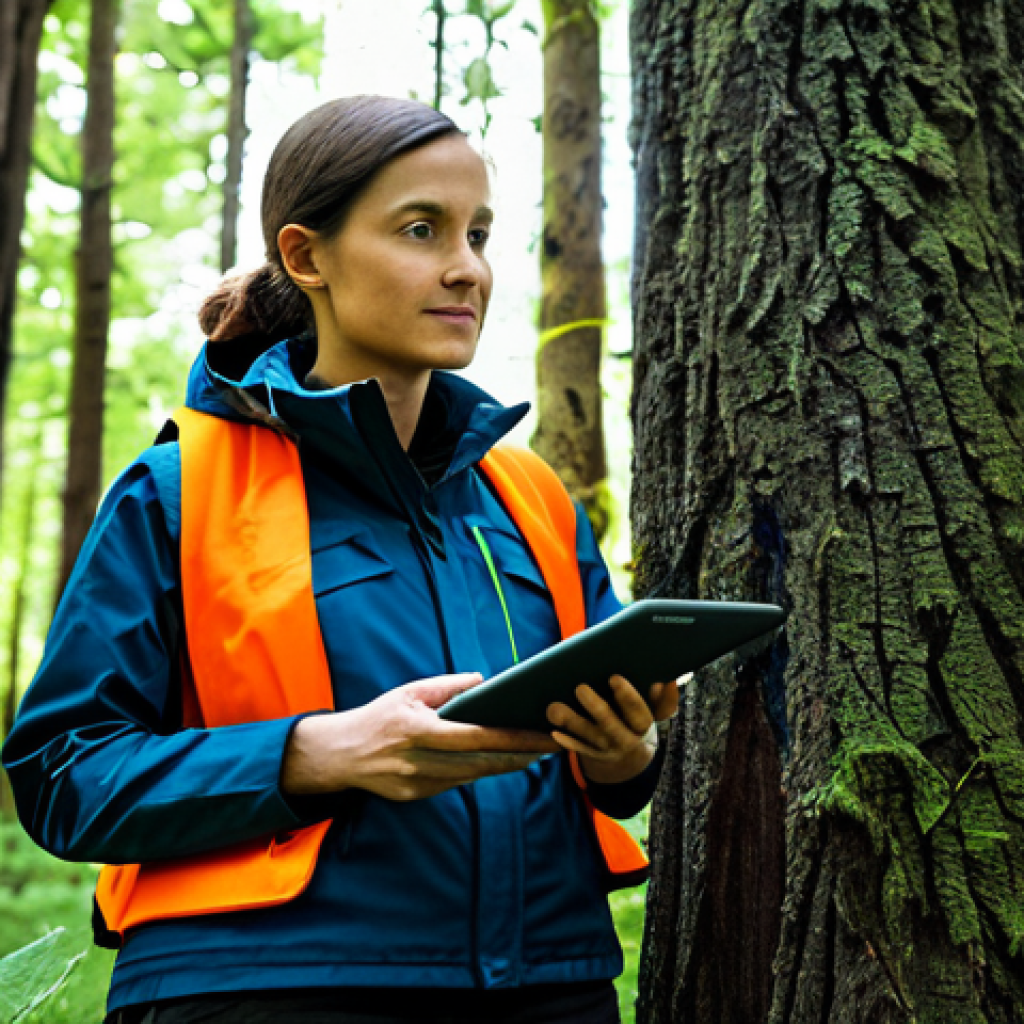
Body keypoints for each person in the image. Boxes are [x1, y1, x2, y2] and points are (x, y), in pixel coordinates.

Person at [2, 95, 679, 1024]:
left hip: (551, 986)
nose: (466, 267)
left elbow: (618, 763)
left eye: (478, 233)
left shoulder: (531, 496)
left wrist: (622, 753)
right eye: (420, 229)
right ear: (306, 256)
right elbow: (61, 772)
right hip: (260, 992)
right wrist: (316, 754)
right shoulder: (178, 488)